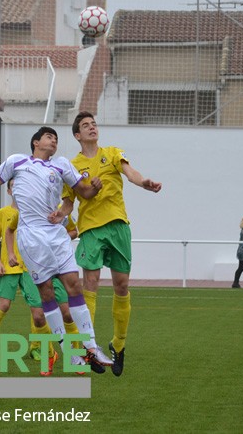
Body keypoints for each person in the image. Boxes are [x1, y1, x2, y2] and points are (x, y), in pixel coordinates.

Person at [0, 126, 113, 372]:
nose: (54, 141)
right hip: (31, 237)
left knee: (74, 284)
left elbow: (84, 192)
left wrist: (95, 186)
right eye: (49, 137)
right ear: (36, 142)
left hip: (57, 234)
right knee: (47, 293)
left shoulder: (61, 164)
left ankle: (92, 348)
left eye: (56, 138)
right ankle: (70, 352)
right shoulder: (16, 161)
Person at [62, 111, 162, 377]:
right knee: (90, 284)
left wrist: (145, 183)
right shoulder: (72, 166)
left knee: (122, 285)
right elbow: (69, 202)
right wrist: (58, 216)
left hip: (118, 226)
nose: (92, 127)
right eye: (86, 125)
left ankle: (119, 344)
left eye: (94, 123)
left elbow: (131, 174)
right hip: (92, 230)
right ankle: (89, 348)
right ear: (77, 135)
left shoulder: (113, 153)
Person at [0, 179, 85, 376]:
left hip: (58, 268)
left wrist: (60, 236)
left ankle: (72, 356)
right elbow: (6, 233)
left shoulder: (58, 211)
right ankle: (47, 353)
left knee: (66, 313)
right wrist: (3, 259)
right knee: (34, 314)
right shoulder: (15, 213)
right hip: (31, 269)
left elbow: (73, 230)